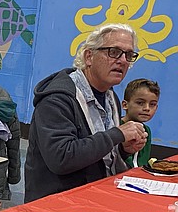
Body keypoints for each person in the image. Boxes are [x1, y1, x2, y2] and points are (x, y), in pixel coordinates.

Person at [24, 23, 148, 202]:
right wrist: (116, 134)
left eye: (129, 55)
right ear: (89, 56)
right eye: (113, 52)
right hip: (57, 204)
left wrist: (122, 149)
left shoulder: (110, 96)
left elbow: (99, 155)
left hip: (96, 193)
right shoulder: (57, 99)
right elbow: (62, 158)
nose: (122, 60)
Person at [122, 78, 159, 168]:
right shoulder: (117, 127)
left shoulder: (147, 131)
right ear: (125, 105)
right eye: (140, 103)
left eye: (152, 104)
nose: (147, 108)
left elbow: (142, 163)